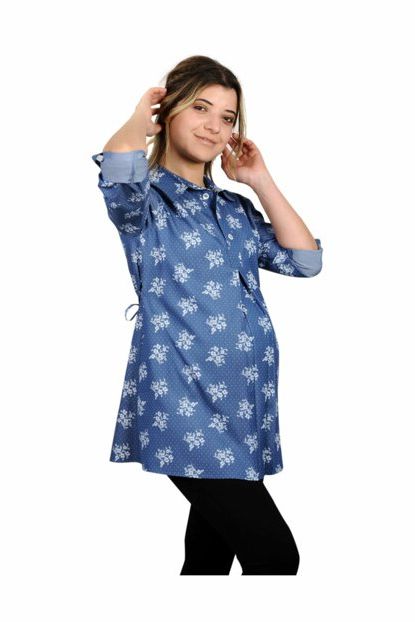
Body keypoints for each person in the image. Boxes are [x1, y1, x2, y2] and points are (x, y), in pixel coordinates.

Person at [91, 55, 323, 575]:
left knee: (209, 558)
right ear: (168, 110)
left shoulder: (235, 211)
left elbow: (306, 261)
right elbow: (119, 169)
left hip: (242, 405)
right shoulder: (146, 202)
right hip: (184, 402)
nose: (214, 126)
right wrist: (137, 122)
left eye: (227, 117)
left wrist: (260, 181)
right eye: (200, 108)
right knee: (274, 556)